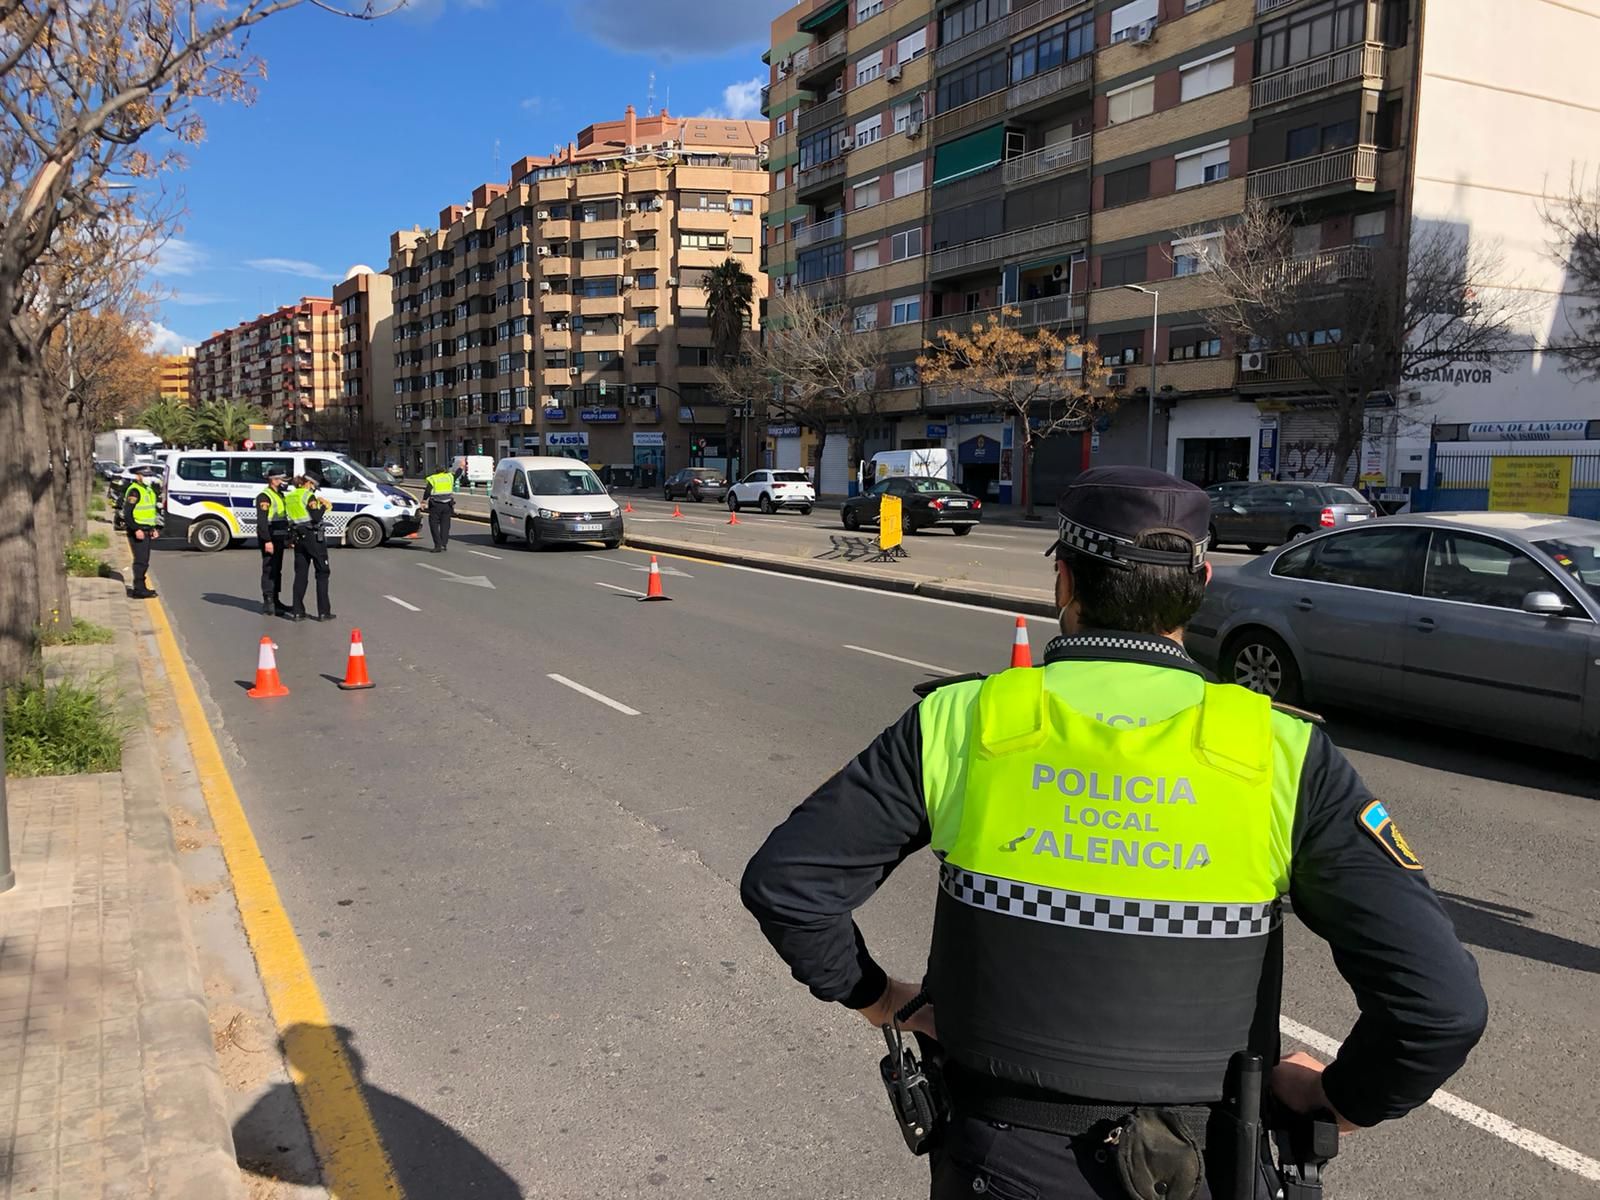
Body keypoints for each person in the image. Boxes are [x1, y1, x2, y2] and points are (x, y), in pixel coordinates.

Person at [741, 466, 1487, 1200]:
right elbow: (1440, 1006)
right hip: (1203, 1164)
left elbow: (789, 886)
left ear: (1064, 581)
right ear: (1197, 588)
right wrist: (1340, 1102)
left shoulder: (964, 721)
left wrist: (883, 999)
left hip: (996, 1162)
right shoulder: (1281, 754)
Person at [285, 474, 335, 622]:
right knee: (322, 572)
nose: (314, 489)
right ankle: (324, 612)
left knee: (301, 574)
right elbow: (316, 517)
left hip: (298, 537)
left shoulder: (290, 497)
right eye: (313, 486)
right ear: (308, 483)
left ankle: (298, 611)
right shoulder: (308, 496)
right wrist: (324, 506)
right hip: (313, 537)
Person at [121, 463, 161, 599]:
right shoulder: (135, 491)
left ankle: (141, 587)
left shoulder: (148, 490)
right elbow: (127, 513)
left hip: (146, 529)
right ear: (138, 476)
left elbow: (150, 512)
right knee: (141, 561)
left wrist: (153, 528)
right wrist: (136, 529)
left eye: (149, 475)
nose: (148, 478)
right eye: (145, 475)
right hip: (137, 530)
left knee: (145, 560)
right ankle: (139, 589)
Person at [255, 467, 292, 616]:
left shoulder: (280, 495)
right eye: (282, 479)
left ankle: (276, 600)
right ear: (274, 480)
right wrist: (267, 541)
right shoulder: (264, 497)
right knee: (269, 569)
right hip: (270, 537)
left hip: (279, 537)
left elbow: (283, 518)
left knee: (277, 570)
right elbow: (262, 522)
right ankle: (268, 602)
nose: (284, 482)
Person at [422, 464, 456, 554]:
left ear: (436, 471)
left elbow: (427, 491)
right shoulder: (449, 477)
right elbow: (458, 474)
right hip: (447, 505)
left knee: (434, 525)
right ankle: (444, 544)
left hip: (435, 505)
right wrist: (461, 467)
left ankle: (437, 545)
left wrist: (423, 501)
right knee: (445, 525)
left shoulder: (433, 478)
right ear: (444, 470)